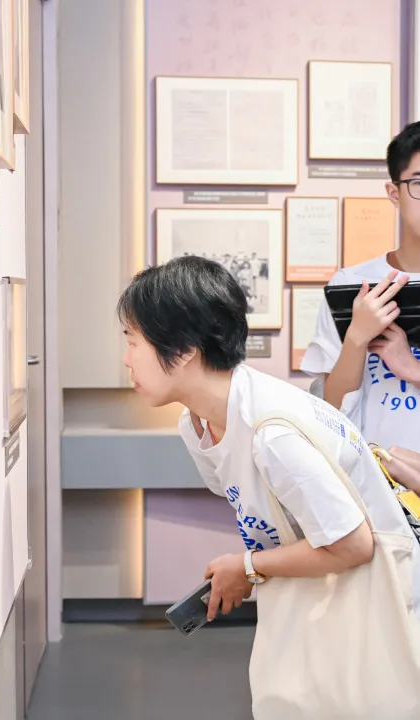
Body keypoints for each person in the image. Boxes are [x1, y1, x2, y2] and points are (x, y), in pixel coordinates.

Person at [117, 255, 420, 715]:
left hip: (362, 605)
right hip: (312, 608)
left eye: (133, 341)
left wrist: (247, 567)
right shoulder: (199, 422)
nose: (126, 359)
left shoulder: (274, 434)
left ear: (184, 348)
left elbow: (354, 545)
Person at [302, 121, 420, 460]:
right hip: (375, 479)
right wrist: (356, 338)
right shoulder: (350, 285)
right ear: (394, 193)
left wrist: (412, 369)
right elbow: (331, 410)